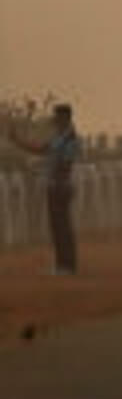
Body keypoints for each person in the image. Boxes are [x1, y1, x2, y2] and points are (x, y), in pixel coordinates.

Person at [8, 103, 82, 275]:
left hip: (61, 186)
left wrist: (50, 171)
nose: (54, 120)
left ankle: (67, 265)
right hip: (54, 184)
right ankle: (62, 264)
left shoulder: (71, 139)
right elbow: (40, 149)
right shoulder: (60, 137)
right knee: (57, 226)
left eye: (57, 117)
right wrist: (18, 141)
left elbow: (66, 164)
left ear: (65, 118)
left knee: (62, 226)